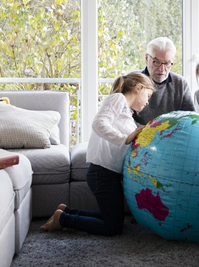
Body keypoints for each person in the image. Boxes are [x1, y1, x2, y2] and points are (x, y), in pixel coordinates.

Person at [40, 71, 155, 236]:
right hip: (102, 174)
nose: (148, 102)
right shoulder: (118, 99)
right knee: (113, 228)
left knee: (113, 218)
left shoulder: (127, 113)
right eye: (148, 95)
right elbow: (99, 123)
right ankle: (64, 220)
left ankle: (66, 212)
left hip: (108, 174)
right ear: (138, 88)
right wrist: (125, 138)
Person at [133, 37, 195, 126]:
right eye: (156, 62)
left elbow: (190, 120)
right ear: (147, 58)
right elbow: (124, 120)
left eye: (167, 63)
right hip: (137, 136)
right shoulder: (132, 81)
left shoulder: (181, 84)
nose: (162, 69)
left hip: (172, 137)